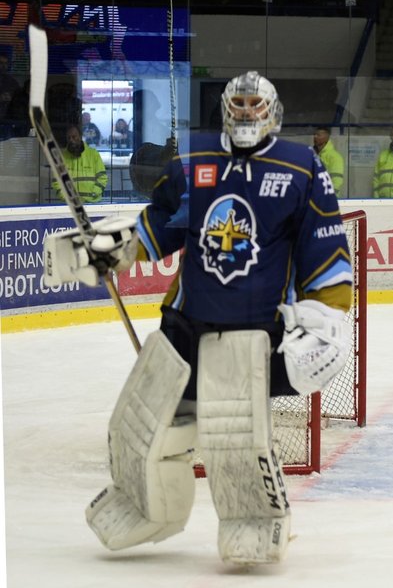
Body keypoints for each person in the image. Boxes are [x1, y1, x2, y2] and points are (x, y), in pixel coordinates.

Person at [41, 71, 354, 564]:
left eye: (257, 105)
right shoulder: (193, 159)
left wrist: (326, 319)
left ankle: (256, 518)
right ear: (225, 109)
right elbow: (161, 224)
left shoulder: (301, 167)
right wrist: (113, 249)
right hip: (183, 320)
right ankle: (145, 507)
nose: (247, 113)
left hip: (249, 329)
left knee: (235, 440)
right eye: (239, 104)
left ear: (273, 112)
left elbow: (325, 249)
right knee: (139, 427)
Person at [55, 124, 107, 203]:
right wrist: (65, 197)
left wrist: (93, 194)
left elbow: (102, 177)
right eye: (69, 138)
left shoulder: (93, 154)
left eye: (74, 136)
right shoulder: (62, 157)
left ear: (80, 136)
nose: (71, 140)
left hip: (92, 203)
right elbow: (56, 181)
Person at [313, 126, 346, 195]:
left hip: (327, 200)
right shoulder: (313, 155)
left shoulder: (335, 157)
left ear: (326, 137)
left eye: (318, 135)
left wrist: (330, 198)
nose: (315, 137)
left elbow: (337, 181)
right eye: (314, 135)